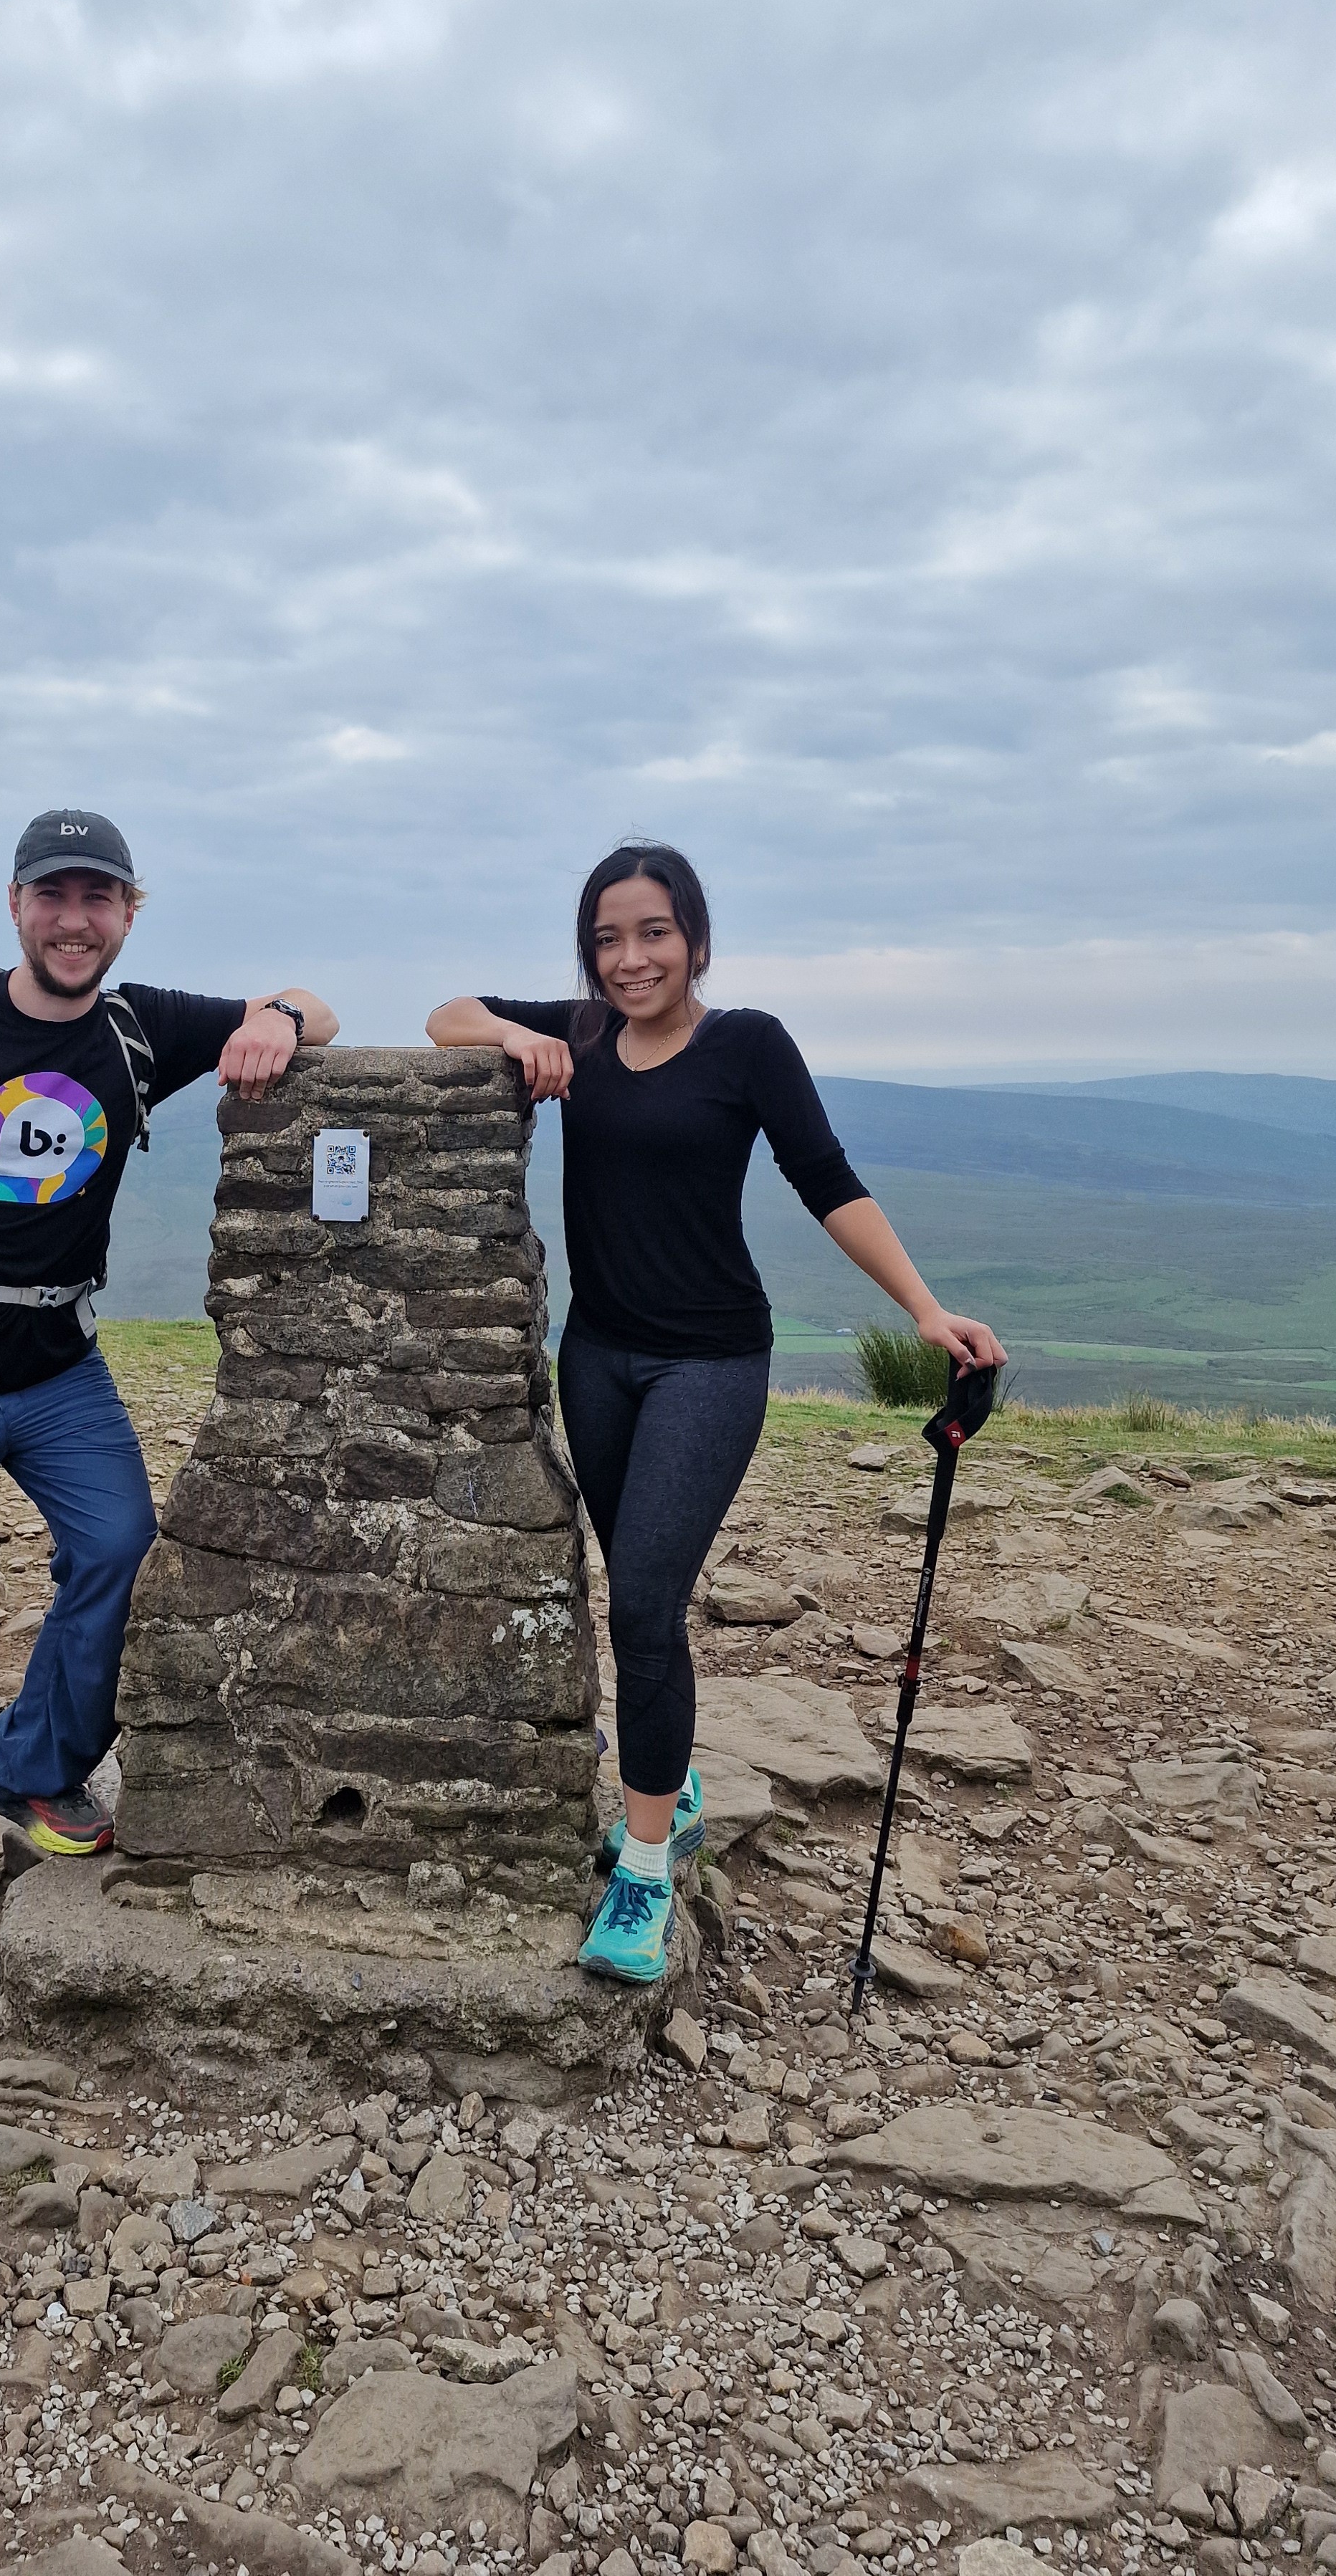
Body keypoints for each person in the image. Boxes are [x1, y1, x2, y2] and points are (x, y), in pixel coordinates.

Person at [427, 841, 1003, 1986]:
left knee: (642, 1600)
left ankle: (646, 1865)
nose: (630, 958)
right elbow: (448, 1013)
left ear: (695, 935)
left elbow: (827, 1180)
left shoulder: (748, 1044)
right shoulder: (584, 1034)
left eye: (653, 932)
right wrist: (511, 1035)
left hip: (713, 1362)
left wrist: (927, 1312)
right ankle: (669, 1770)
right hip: (596, 1358)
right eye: (606, 938)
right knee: (639, 1594)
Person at [0, 808, 337, 1925]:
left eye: (99, 899)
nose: (74, 921)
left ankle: (33, 1763)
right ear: (15, 906)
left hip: (59, 1369)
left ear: (130, 914)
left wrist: (276, 1017)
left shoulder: (141, 1029)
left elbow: (316, 1007)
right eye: (54, 896)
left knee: (122, 1547)